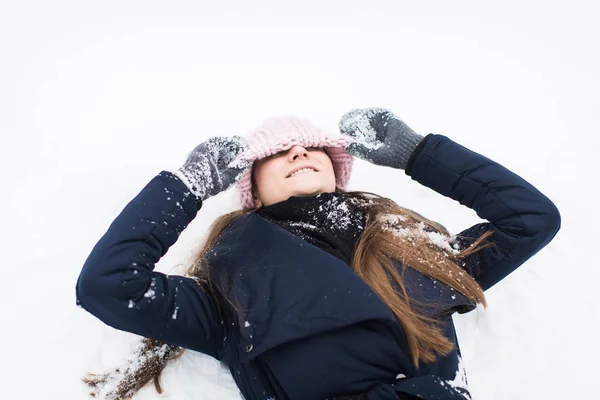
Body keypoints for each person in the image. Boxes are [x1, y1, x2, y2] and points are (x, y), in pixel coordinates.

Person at [76, 108, 561, 400]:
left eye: (313, 148)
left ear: (336, 168)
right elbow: (110, 285)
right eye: (277, 151)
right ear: (254, 193)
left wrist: (418, 152)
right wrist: (187, 186)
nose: (299, 153)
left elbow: (530, 219)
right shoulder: (229, 293)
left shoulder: (417, 251)